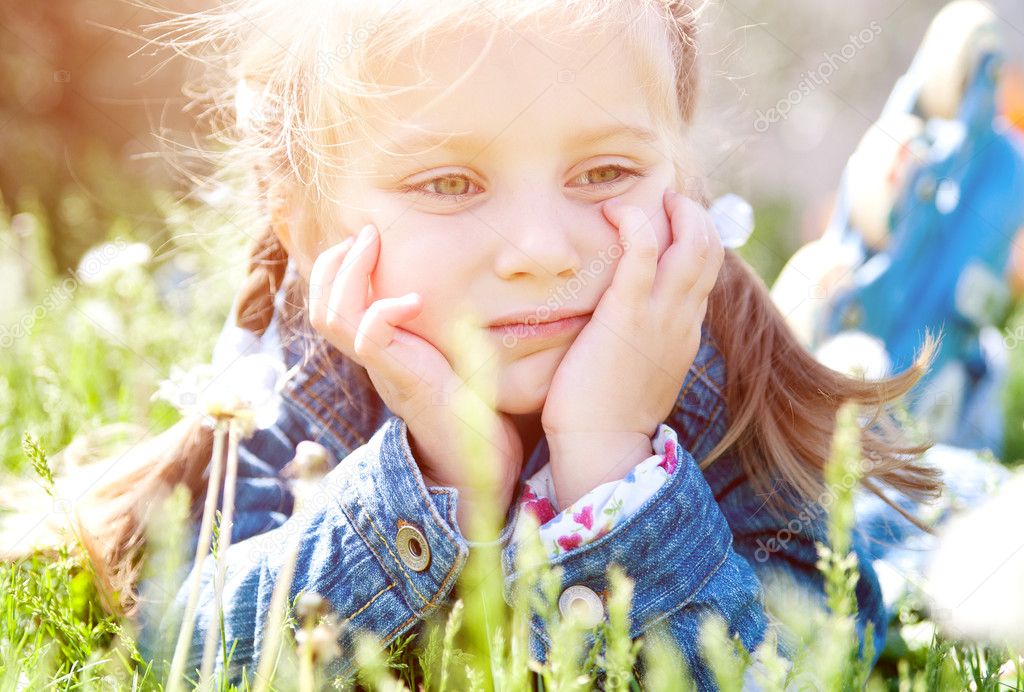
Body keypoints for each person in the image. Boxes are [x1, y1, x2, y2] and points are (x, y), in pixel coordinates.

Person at [8, 1, 960, 688]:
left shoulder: (699, 360)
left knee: (927, 440)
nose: (543, 252)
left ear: (678, 169)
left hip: (906, 509)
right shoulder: (307, 372)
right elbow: (195, 647)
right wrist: (436, 471)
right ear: (303, 220)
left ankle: (909, 249)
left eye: (604, 171)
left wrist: (608, 456)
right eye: (450, 183)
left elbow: (791, 665)